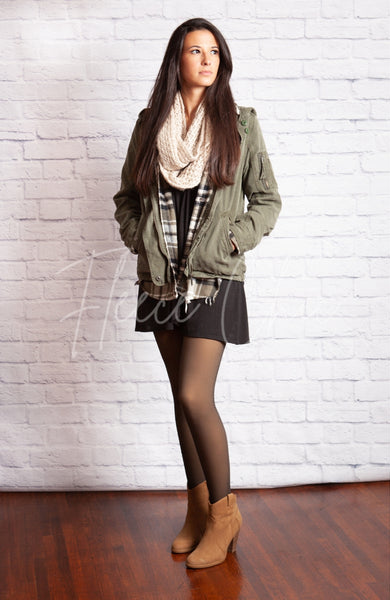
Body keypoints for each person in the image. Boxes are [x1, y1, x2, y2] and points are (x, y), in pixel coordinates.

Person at [113, 17, 281, 569]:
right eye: (194, 50)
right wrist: (138, 237)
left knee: (193, 395)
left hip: (214, 279)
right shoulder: (150, 124)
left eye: (214, 51)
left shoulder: (240, 125)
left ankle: (226, 515)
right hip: (161, 280)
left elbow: (267, 199)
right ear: (176, 61)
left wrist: (237, 239)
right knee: (178, 404)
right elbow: (126, 199)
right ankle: (198, 508)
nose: (206, 59)